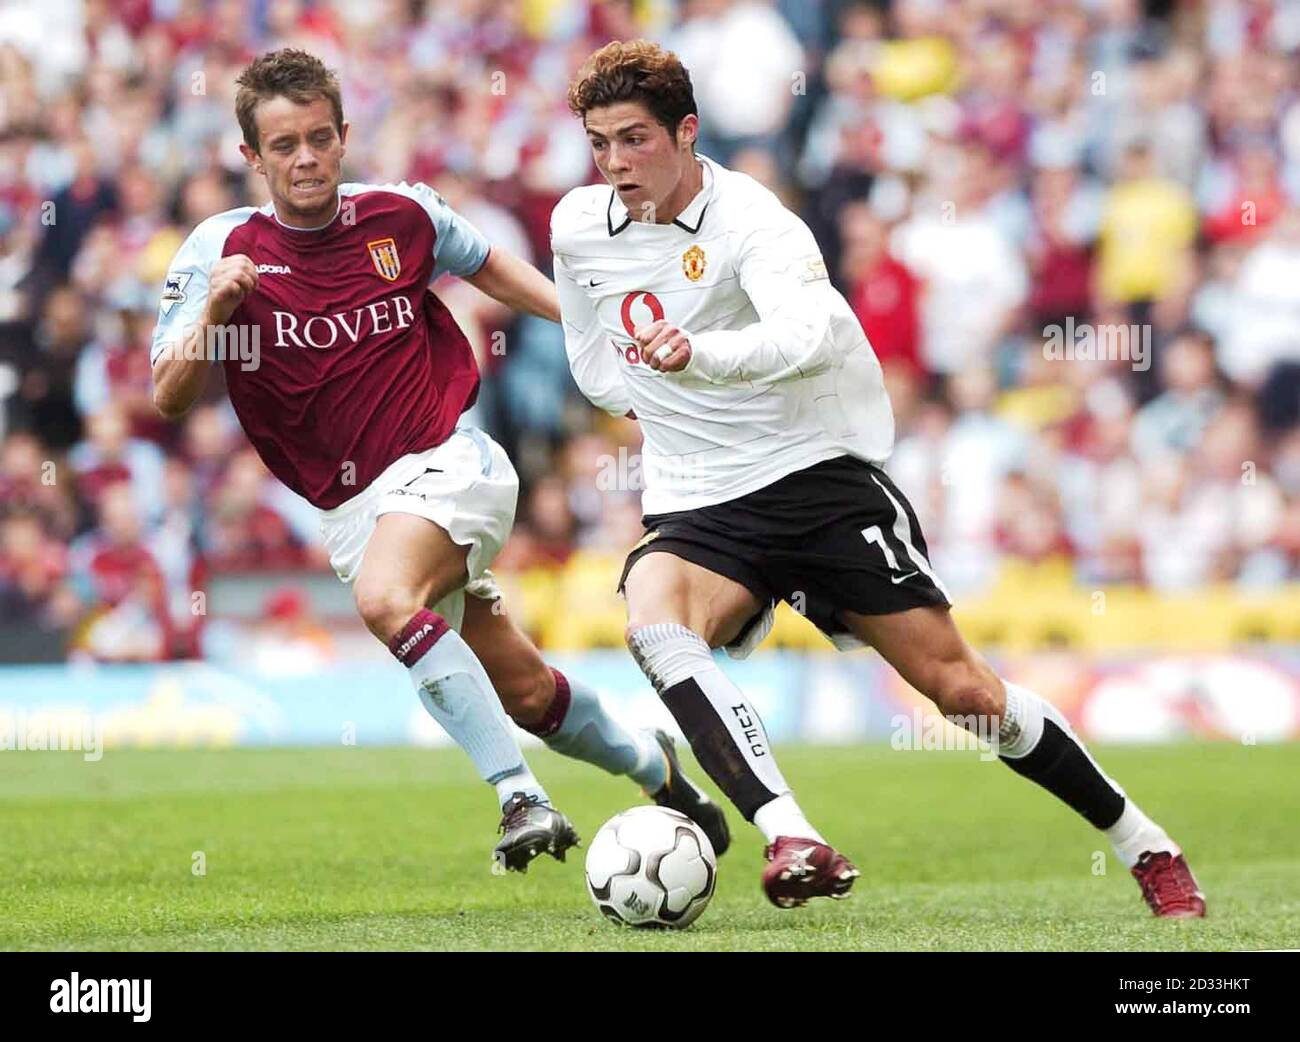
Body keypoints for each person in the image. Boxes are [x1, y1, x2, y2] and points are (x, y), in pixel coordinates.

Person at [551, 39, 1204, 916]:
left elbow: (802, 336)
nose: (616, 164)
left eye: (634, 139)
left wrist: (693, 354)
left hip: (814, 477)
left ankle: (1144, 843)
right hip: (699, 497)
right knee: (654, 620)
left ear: (687, 131)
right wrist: (643, 389)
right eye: (600, 143)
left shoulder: (758, 223)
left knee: (963, 692)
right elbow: (593, 364)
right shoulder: (577, 226)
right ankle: (792, 834)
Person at [150, 48, 728, 873]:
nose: (306, 157)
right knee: (528, 694)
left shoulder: (400, 215)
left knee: (388, 601)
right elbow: (168, 394)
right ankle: (662, 773)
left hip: (450, 462)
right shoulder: (219, 252)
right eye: (284, 146)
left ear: (345, 136)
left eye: (320, 137)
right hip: (355, 513)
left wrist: (600, 336)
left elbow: (492, 268)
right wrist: (214, 310)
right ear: (252, 156)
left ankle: (519, 797)